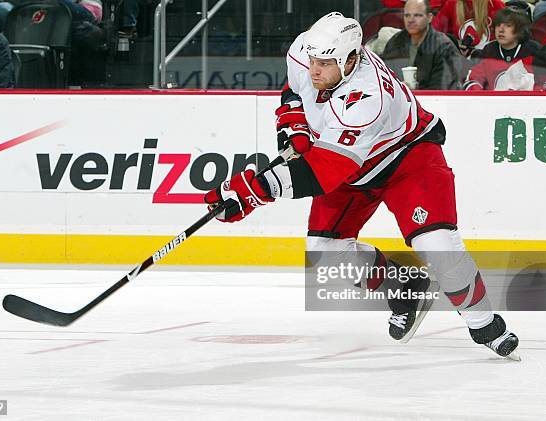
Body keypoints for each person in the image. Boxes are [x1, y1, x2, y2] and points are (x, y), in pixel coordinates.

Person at [204, 12, 520, 359]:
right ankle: (404, 288)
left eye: (324, 63)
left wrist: (252, 192)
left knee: (437, 243)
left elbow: (325, 171)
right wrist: (293, 123)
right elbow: (294, 89)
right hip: (351, 165)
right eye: (312, 60)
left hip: (406, 159)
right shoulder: (308, 52)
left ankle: (485, 324)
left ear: (352, 59)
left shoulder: (367, 97)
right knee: (325, 255)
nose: (313, 69)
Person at [381, 0, 463, 89]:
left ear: (429, 17)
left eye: (417, 15)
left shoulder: (444, 48)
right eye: (407, 15)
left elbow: (442, 91)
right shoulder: (396, 42)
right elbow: (384, 77)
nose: (411, 20)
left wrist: (414, 91)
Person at [464, 7, 544, 90]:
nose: (501, 30)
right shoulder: (489, 50)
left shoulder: (534, 51)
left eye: (508, 26)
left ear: (520, 30)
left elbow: (544, 81)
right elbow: (475, 77)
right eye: (498, 25)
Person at [433, 0, 506, 57]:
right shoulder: (452, 3)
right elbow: (432, 33)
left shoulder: (496, 5)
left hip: (491, 63)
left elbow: (511, 37)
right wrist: (453, 43)